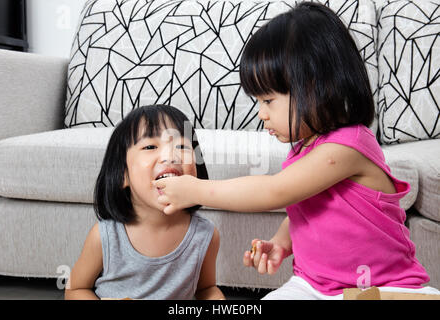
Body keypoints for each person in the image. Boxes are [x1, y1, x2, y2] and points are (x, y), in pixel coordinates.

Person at [153, 2, 439, 299]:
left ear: (313, 87)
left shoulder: (349, 145)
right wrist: (281, 243)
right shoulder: (305, 149)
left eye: (268, 101)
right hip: (314, 286)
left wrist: (195, 190)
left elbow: (275, 191)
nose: (261, 114)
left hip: (382, 286)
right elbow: (308, 207)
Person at [65, 105, 225, 300]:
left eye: (182, 146)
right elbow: (75, 289)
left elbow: (206, 289)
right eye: (150, 146)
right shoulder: (105, 236)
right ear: (122, 174)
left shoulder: (205, 235)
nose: (170, 156)